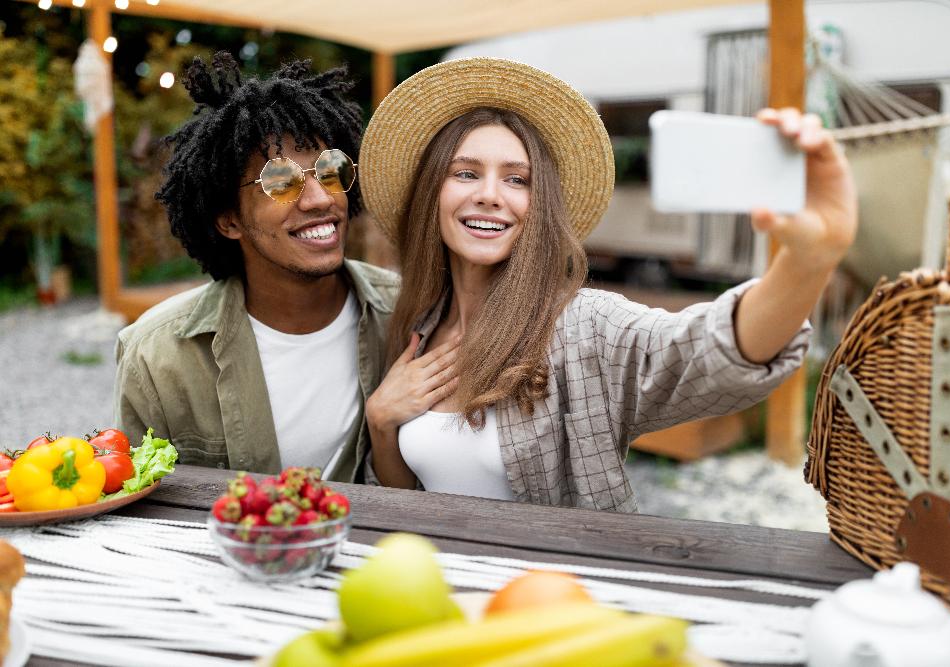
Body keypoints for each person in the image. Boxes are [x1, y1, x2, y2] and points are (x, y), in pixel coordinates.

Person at [360, 57, 857, 511]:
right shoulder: (417, 325)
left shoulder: (580, 327)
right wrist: (382, 424)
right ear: (433, 193)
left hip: (552, 602)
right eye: (465, 173)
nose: (490, 195)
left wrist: (807, 262)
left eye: (518, 180)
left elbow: (706, 351)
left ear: (540, 207)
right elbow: (410, 504)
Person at [113, 53, 398, 481]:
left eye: (330, 169)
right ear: (229, 221)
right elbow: (134, 502)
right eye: (281, 181)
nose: (321, 199)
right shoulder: (157, 357)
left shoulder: (407, 313)